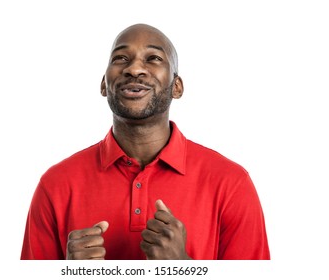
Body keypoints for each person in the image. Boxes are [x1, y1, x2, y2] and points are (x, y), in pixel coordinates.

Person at [20, 23, 270, 260]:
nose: (134, 69)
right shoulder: (55, 185)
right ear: (104, 85)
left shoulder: (231, 183)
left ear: (177, 87)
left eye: (153, 59)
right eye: (121, 59)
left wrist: (183, 267)